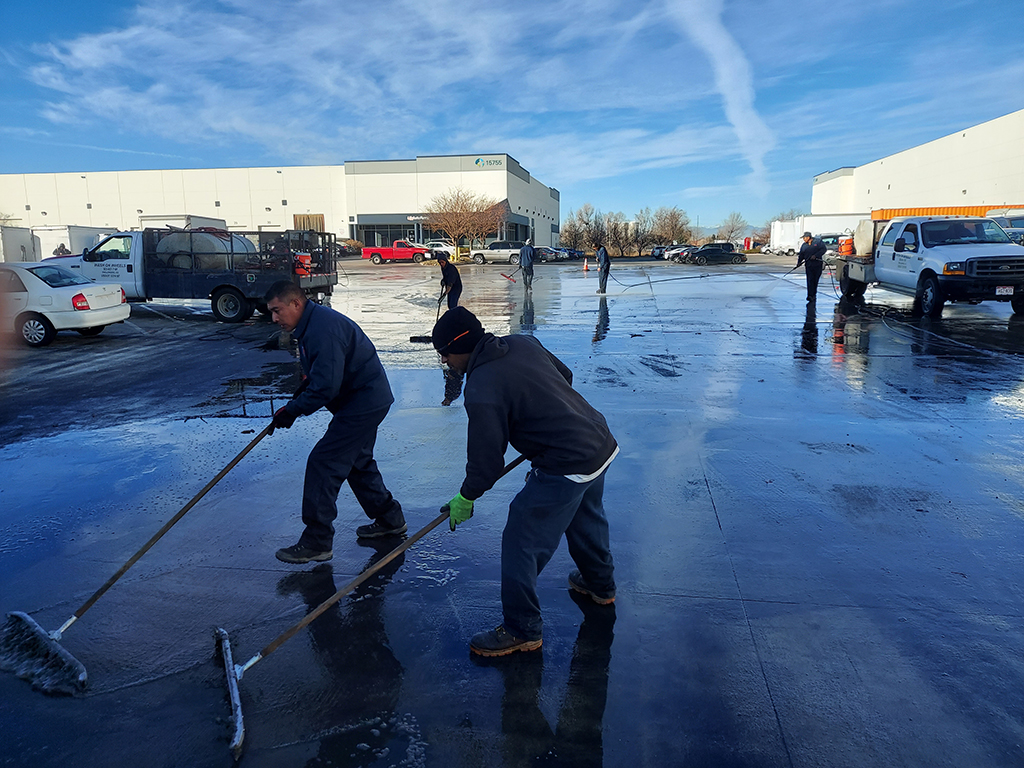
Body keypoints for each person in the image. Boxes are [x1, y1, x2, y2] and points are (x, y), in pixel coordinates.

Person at [432, 307, 618, 657]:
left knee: (521, 538)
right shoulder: (522, 342)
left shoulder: (482, 386)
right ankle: (600, 584)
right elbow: (565, 375)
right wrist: (544, 413)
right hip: (598, 442)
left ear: (459, 348)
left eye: (445, 353)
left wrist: (466, 497)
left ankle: (521, 629)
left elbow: (486, 462)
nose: (445, 360)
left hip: (566, 461)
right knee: (584, 518)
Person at [264, 280, 406, 564]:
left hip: (363, 402)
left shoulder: (322, 329)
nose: (274, 318)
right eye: (271, 312)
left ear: (296, 303)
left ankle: (317, 540)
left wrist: (292, 410)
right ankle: (390, 519)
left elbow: (326, 386)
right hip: (365, 399)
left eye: (277, 310)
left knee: (324, 461)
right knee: (357, 462)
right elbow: (321, 375)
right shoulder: (312, 324)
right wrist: (296, 400)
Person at [796, 231, 826, 303]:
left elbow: (824, 249)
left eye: (804, 238)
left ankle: (813, 294)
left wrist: (816, 255)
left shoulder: (818, 242)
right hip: (809, 265)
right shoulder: (804, 245)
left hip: (817, 265)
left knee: (815, 281)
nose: (803, 239)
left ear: (808, 237)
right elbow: (801, 255)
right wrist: (799, 262)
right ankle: (810, 295)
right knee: (810, 280)